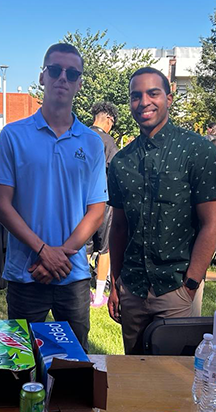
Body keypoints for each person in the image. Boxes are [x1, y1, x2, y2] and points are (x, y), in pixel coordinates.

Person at [0, 43, 107, 349]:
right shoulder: (13, 135)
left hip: (73, 274)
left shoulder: (92, 142)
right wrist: (43, 251)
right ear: (42, 76)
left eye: (71, 73)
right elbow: (2, 205)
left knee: (74, 365)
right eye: (55, 70)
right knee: (20, 364)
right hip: (27, 273)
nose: (62, 78)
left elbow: (97, 208)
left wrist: (60, 255)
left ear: (79, 83)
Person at [107, 66, 216, 355]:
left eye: (153, 93)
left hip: (176, 287)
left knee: (175, 379)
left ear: (169, 98)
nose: (144, 101)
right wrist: (115, 284)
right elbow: (119, 227)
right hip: (132, 288)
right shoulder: (121, 161)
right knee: (135, 373)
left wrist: (191, 284)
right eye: (136, 96)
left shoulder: (198, 151)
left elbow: (212, 224)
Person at [85, 101, 120, 307]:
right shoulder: (108, 141)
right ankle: (98, 296)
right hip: (103, 201)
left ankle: (81, 291)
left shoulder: (81, 135)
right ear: (109, 119)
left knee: (84, 246)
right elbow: (116, 171)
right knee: (105, 249)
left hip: (80, 201)